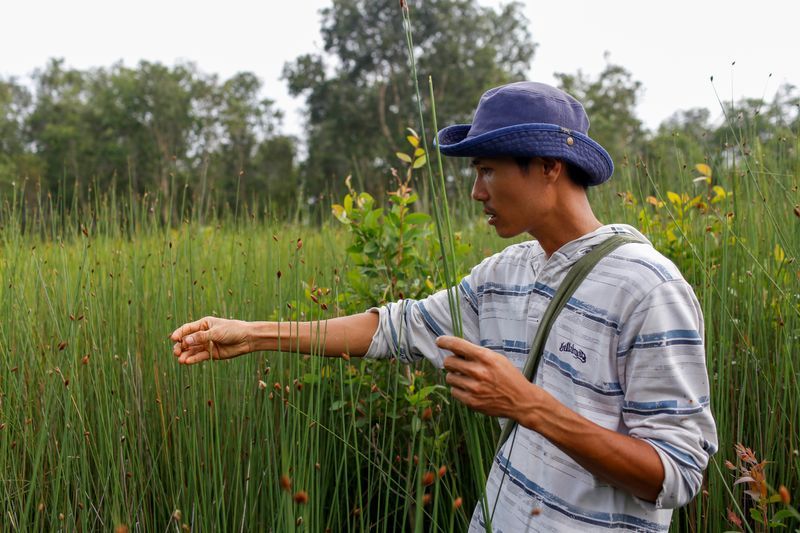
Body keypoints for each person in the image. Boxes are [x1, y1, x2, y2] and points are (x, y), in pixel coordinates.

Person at [171, 81, 717, 532]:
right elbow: (395, 327)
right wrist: (253, 334)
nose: (477, 192)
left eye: (487, 171)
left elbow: (676, 472)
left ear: (549, 167)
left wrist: (528, 405)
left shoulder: (648, 288)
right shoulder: (506, 272)